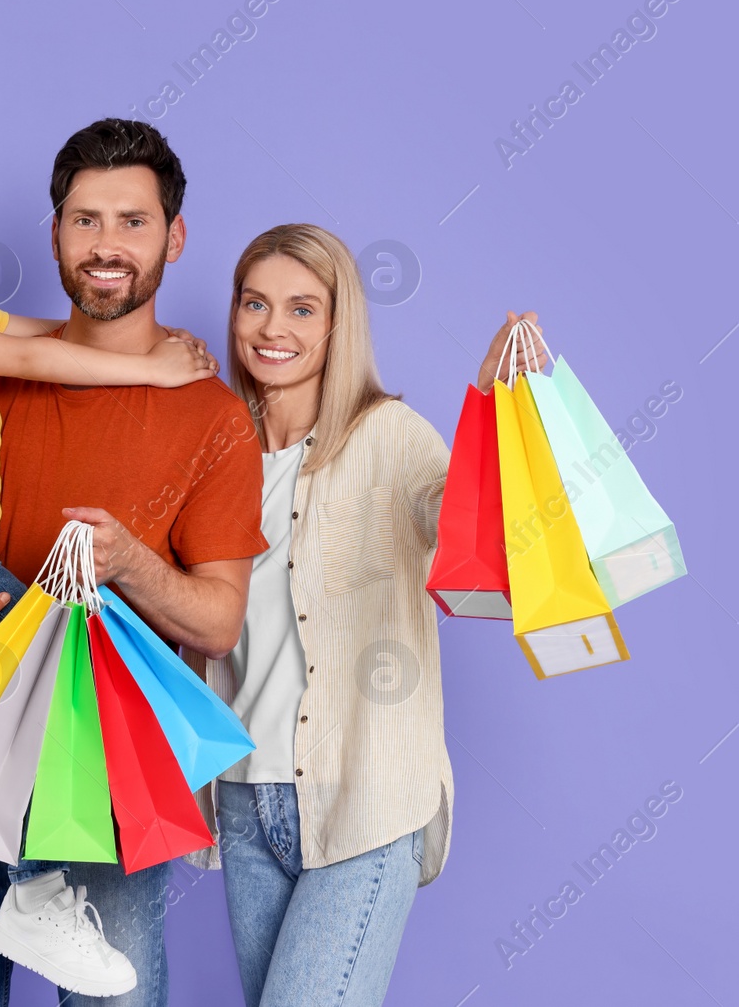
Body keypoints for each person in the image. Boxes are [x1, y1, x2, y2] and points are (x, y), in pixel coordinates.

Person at [0, 119, 268, 1006]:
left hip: (100, 774)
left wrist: (127, 561)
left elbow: (219, 621)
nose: (107, 243)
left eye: (133, 221)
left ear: (174, 237)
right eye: (85, 220)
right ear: (56, 236)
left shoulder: (215, 417)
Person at [185, 222, 539, 1006]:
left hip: (368, 795)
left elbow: (475, 537)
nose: (273, 328)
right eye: (255, 303)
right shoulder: (216, 453)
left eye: (303, 309)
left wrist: (493, 411)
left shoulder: (390, 436)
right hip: (244, 797)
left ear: (339, 326)